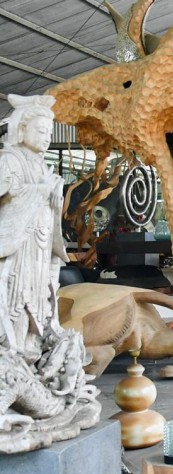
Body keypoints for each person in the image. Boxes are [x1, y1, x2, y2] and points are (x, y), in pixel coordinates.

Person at [0, 94, 67, 363]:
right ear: (21, 129)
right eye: (41, 130)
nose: (47, 137)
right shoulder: (8, 159)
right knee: (17, 297)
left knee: (40, 298)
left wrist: (54, 195)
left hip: (39, 246)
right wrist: (40, 190)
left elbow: (48, 202)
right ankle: (11, 351)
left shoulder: (40, 164)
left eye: (49, 132)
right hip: (19, 246)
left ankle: (32, 348)